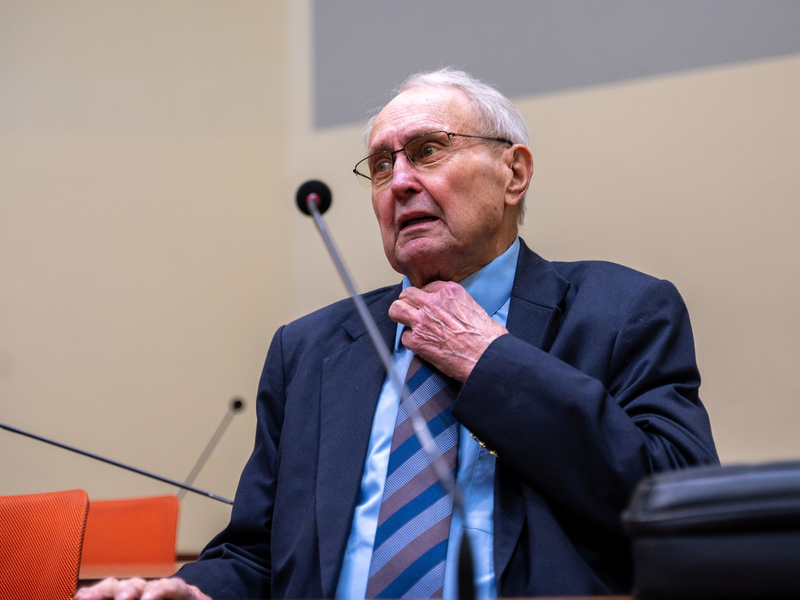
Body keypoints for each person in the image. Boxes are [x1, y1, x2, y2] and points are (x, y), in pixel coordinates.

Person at [75, 68, 717, 600]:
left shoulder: (623, 310)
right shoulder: (310, 351)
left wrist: (490, 360)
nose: (401, 181)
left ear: (513, 172)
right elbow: (255, 554)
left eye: (428, 151)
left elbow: (676, 505)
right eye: (382, 165)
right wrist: (199, 592)